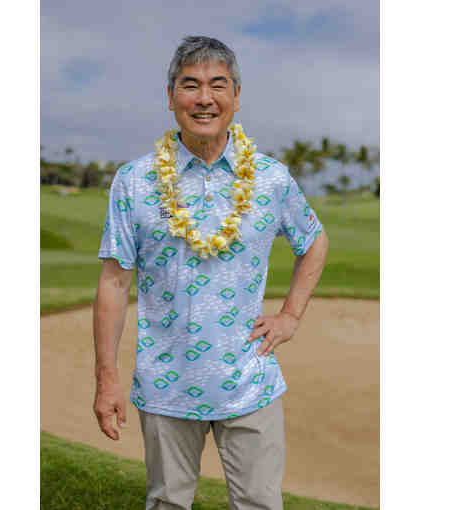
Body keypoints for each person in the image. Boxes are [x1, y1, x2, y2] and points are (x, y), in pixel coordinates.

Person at [94, 35, 328, 510]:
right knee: (167, 503)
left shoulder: (270, 178)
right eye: (190, 85)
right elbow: (114, 284)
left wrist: (290, 315)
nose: (204, 98)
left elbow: (314, 240)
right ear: (171, 96)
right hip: (164, 383)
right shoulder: (134, 181)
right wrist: (106, 379)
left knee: (260, 504)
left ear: (236, 96)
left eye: (217, 85)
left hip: (250, 381)